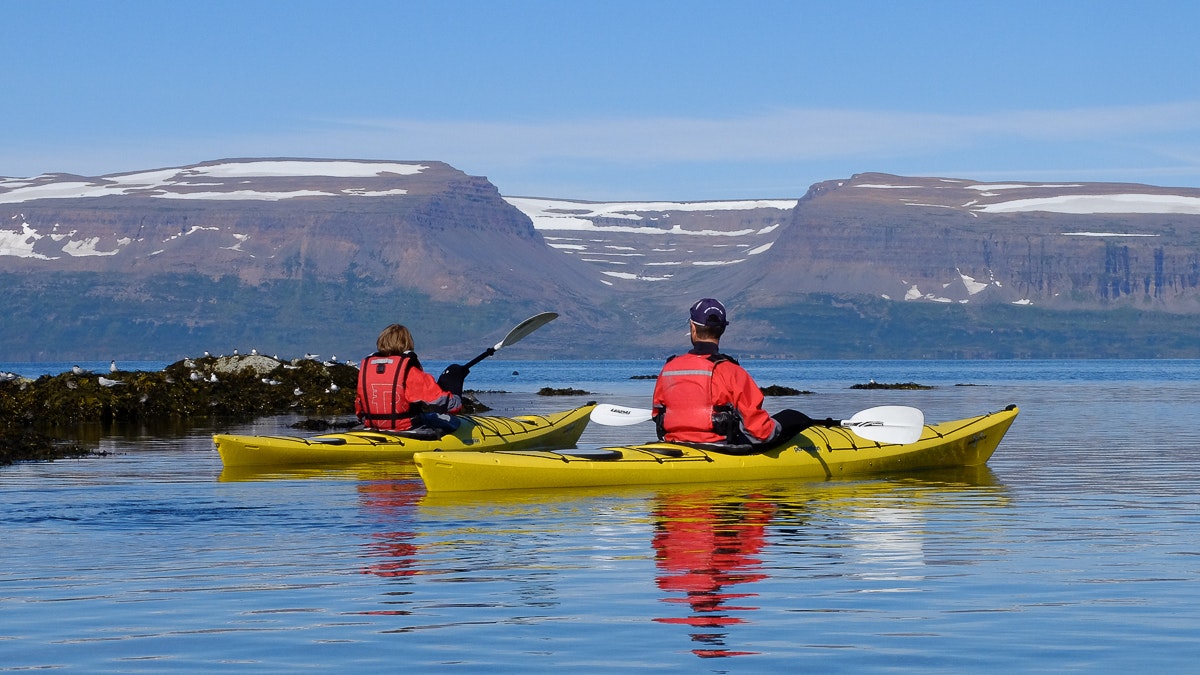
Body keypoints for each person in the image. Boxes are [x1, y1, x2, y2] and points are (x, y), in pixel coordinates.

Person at [652, 298, 819, 448]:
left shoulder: (668, 368)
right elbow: (760, 431)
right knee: (792, 416)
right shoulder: (732, 371)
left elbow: (657, 414)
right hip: (719, 447)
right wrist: (791, 422)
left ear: (693, 328)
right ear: (722, 330)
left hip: (674, 443)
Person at [355, 324, 469, 435]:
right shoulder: (409, 371)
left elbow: (359, 406)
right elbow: (443, 402)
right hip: (405, 427)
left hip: (372, 425)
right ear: (407, 343)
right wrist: (457, 400)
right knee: (452, 421)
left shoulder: (368, 369)